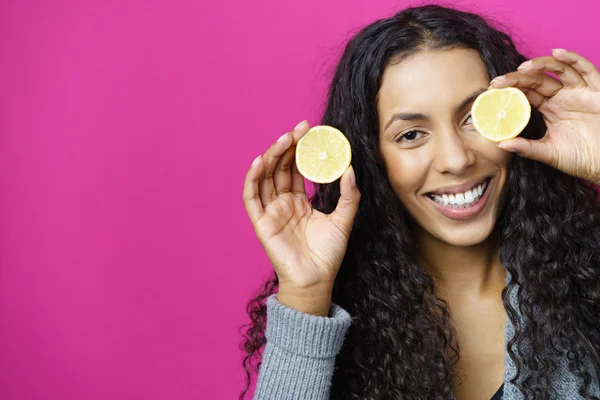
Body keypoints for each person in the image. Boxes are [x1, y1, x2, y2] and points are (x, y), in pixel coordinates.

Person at [240, 5, 600, 400]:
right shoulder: (352, 309)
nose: (456, 159)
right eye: (411, 135)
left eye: (473, 119)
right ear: (370, 159)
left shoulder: (587, 280)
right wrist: (306, 294)